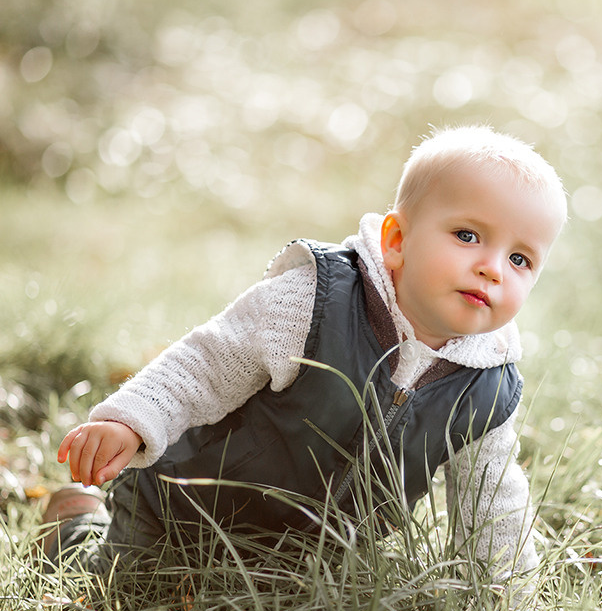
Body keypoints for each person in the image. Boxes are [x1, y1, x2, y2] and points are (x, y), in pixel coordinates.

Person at [45, 125, 567, 578]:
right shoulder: (317, 302)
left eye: (520, 259)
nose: (493, 268)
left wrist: (501, 595)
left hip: (318, 556)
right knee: (121, 578)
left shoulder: (485, 386)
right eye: (468, 234)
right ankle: (76, 522)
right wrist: (134, 420)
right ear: (397, 240)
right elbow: (205, 363)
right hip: (187, 507)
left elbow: (493, 502)